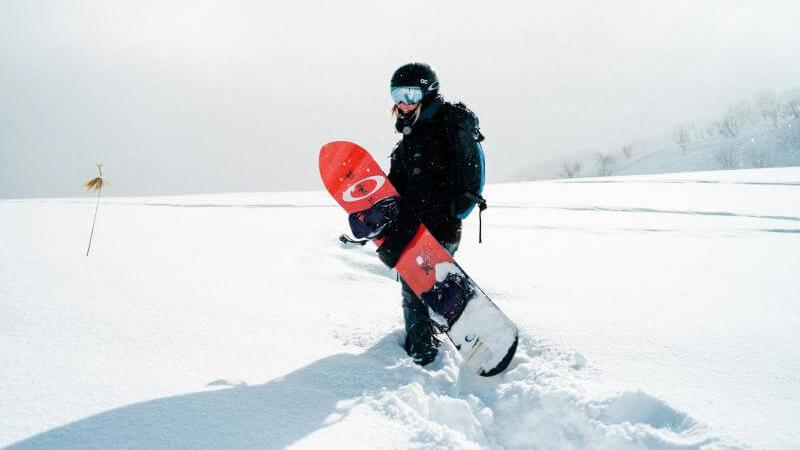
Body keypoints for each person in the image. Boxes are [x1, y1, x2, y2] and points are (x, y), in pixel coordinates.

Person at [379, 62, 486, 366]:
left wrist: (414, 224)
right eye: (397, 94)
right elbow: (400, 187)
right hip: (421, 228)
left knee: (415, 289)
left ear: (428, 93)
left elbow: (438, 187)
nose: (404, 102)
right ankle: (430, 338)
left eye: (411, 93)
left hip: (437, 227)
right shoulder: (411, 137)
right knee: (421, 286)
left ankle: (423, 356)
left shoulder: (440, 130)